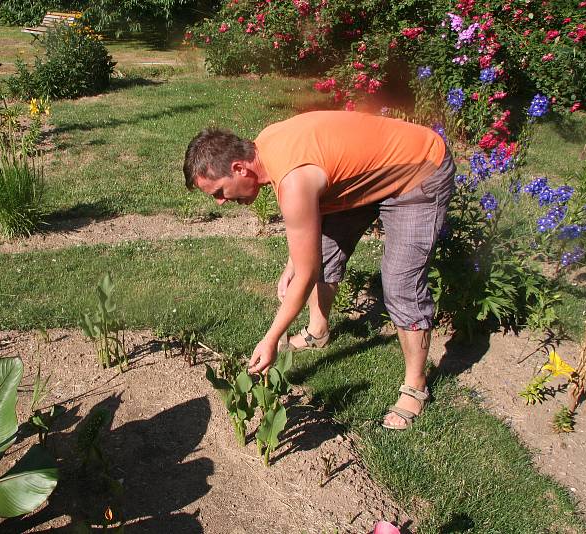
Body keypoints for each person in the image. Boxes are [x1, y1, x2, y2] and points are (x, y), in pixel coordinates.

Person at [183, 110, 455, 430]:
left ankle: (415, 385)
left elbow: (307, 271)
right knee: (324, 251)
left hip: (419, 169)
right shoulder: (266, 145)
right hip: (370, 174)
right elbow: (307, 232)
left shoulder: (294, 179)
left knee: (400, 283)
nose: (220, 202)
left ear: (239, 168)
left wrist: (271, 338)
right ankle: (318, 330)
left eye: (218, 192)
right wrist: (292, 263)